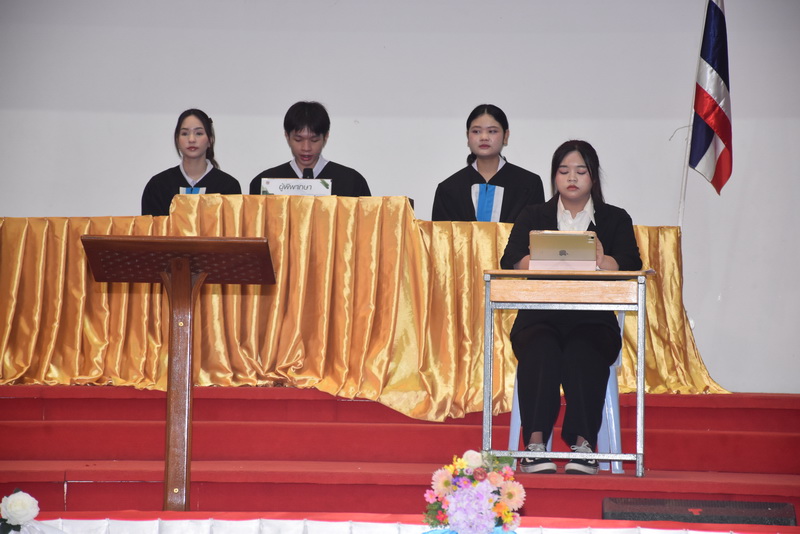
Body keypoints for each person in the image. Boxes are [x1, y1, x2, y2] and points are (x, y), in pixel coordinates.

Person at [500, 140, 642, 475]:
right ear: (554, 176)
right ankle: (534, 446)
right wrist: (539, 259)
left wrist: (604, 260)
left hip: (593, 320)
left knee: (583, 351)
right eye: (564, 171)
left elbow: (632, 264)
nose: (572, 178)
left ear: (593, 176)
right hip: (539, 317)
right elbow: (509, 260)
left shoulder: (614, 218)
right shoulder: (534, 215)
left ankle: (585, 446)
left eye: (581, 171)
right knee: (541, 349)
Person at [431, 104, 544, 222]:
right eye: (476, 131)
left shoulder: (529, 185)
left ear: (506, 136)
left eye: (492, 131)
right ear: (467, 136)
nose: (484, 137)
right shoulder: (449, 189)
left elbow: (536, 230)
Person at [249, 101, 371, 197]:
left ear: (326, 136)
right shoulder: (264, 182)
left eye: (314, 140)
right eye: (298, 140)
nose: (306, 148)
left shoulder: (351, 181)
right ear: (287, 136)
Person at [141, 109, 241, 217]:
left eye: (199, 133)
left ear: (210, 140)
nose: (191, 139)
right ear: (177, 140)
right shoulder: (158, 185)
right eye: (185, 133)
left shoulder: (228, 186)